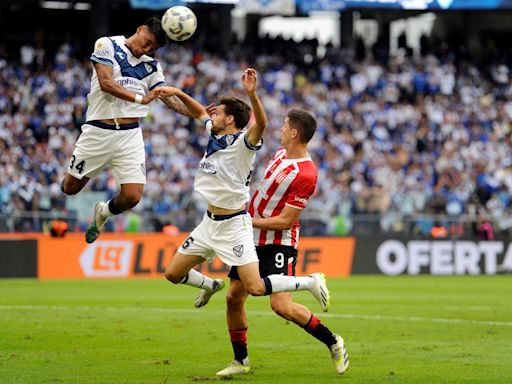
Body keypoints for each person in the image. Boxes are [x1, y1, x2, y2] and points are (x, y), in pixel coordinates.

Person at [155, 68, 330, 327]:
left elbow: (261, 124)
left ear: (230, 119)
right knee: (172, 273)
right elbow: (198, 112)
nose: (212, 115)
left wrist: (252, 94)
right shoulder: (214, 134)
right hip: (209, 221)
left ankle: (309, 282)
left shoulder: (243, 145)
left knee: (256, 287)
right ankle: (211, 284)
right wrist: (175, 93)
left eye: (218, 113)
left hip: (235, 224)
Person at [215, 110, 349, 377]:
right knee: (233, 298)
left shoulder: (306, 174)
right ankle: (241, 362)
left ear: (295, 133)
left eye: (285, 125)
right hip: (249, 237)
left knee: (281, 306)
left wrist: (245, 220)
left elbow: (285, 221)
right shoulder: (279, 154)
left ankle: (333, 341)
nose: (281, 129)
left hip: (279, 242)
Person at [61, 17, 191, 243]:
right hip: (98, 130)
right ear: (140, 29)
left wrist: (197, 114)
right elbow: (106, 83)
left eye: (153, 48)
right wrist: (141, 98)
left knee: (132, 197)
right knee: (70, 188)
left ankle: (104, 212)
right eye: (147, 42)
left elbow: (166, 99)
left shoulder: (152, 67)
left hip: (129, 134)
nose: (147, 49)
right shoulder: (107, 44)